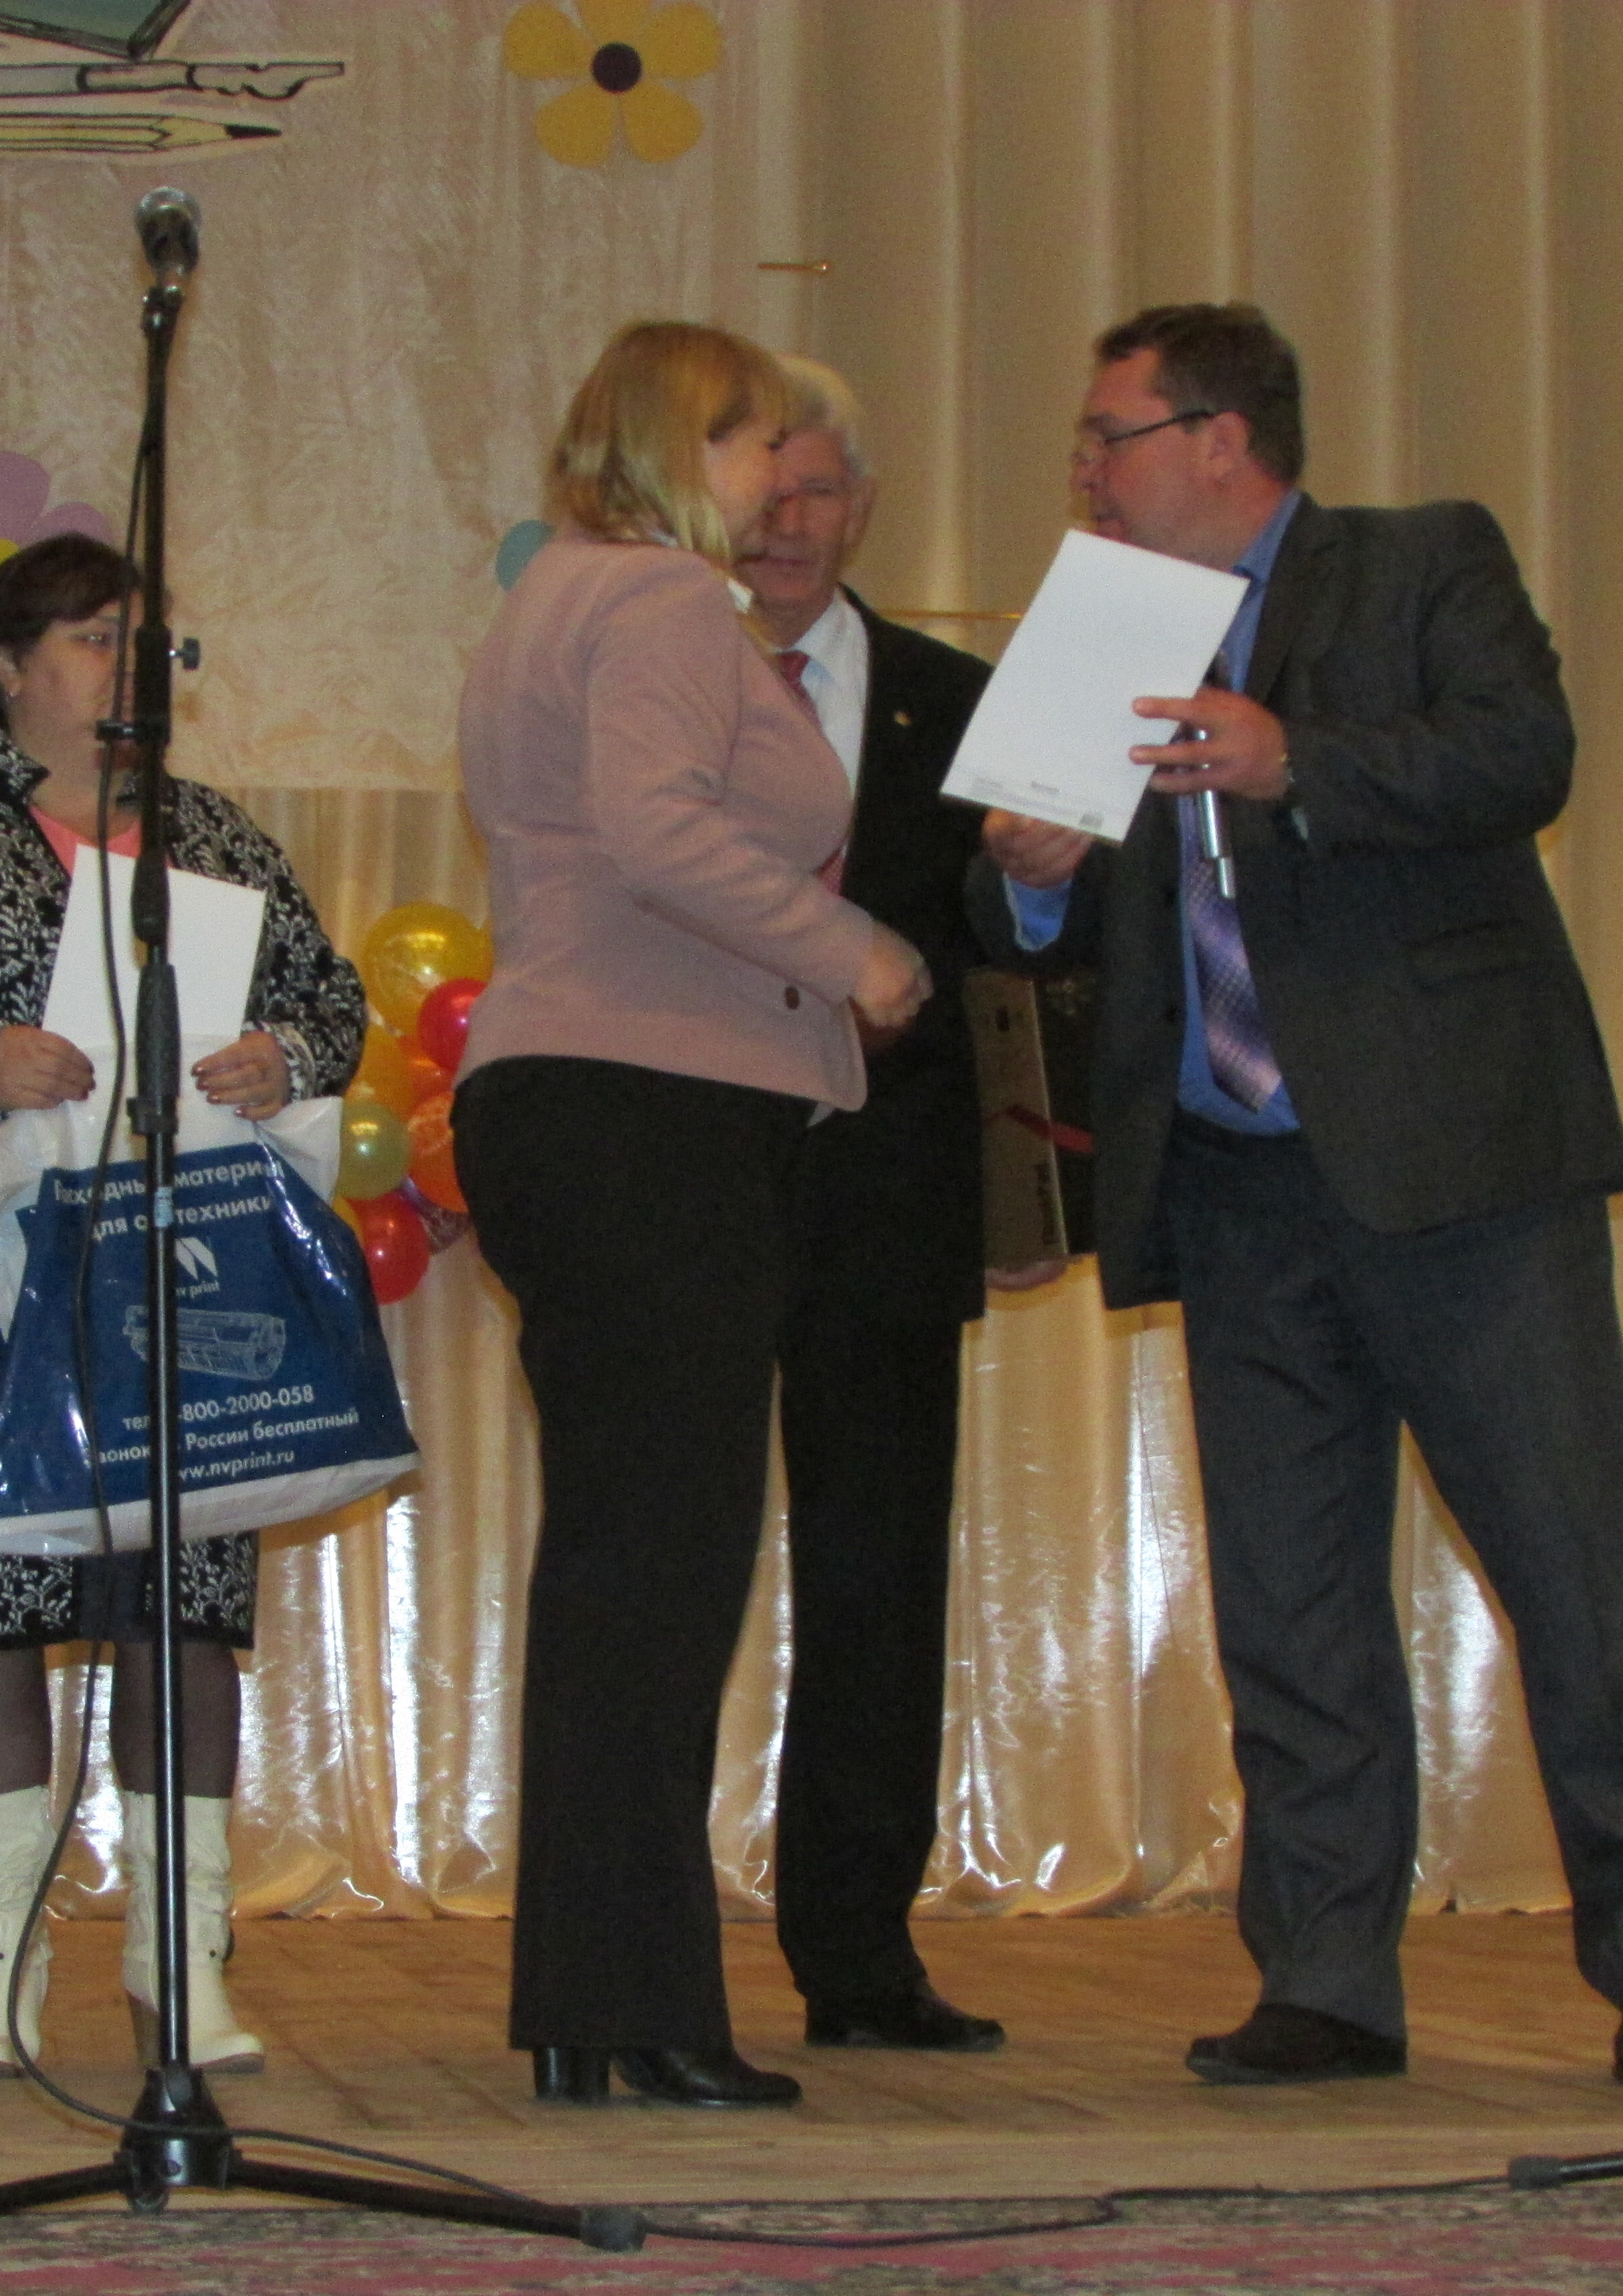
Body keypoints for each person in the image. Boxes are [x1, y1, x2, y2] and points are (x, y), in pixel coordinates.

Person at [973, 304, 1623, 2089]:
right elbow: (1038, 929)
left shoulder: (1418, 561)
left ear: (1221, 439)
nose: (1084, 471)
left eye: (1110, 435)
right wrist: (1030, 875)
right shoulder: (1091, 631)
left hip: (1458, 1165)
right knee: (1290, 1603)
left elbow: (1523, 753)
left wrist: (1295, 759)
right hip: (1234, 1184)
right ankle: (1324, 1980)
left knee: (1576, 1566)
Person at [0, 532, 365, 2079]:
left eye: (147, 642)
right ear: (8, 664)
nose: (129, 668)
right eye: (98, 637)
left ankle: (184, 1963)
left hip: (178, 1283)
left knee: (178, 1607)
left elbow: (334, 1000)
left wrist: (283, 1057)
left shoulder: (212, 838)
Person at [456, 320, 933, 2109]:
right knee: (660, 1569)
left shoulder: (560, 593)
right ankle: (634, 2005)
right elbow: (657, 829)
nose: (776, 472)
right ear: (677, 443)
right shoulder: (660, 596)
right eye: (748, 439)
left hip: (580, 1100)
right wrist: (857, 952)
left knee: (623, 1565)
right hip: (649, 1106)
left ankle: (605, 2001)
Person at [733, 356, 1017, 2055]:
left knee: (879, 1580)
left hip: (892, 1191)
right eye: (761, 488)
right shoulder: (656, 678)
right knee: (668, 1570)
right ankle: (635, 1950)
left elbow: (1025, 950)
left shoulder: (962, 703)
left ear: (865, 511)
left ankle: (858, 1957)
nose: (786, 520)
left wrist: (1047, 885)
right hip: (692, 1174)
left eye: (818, 489)